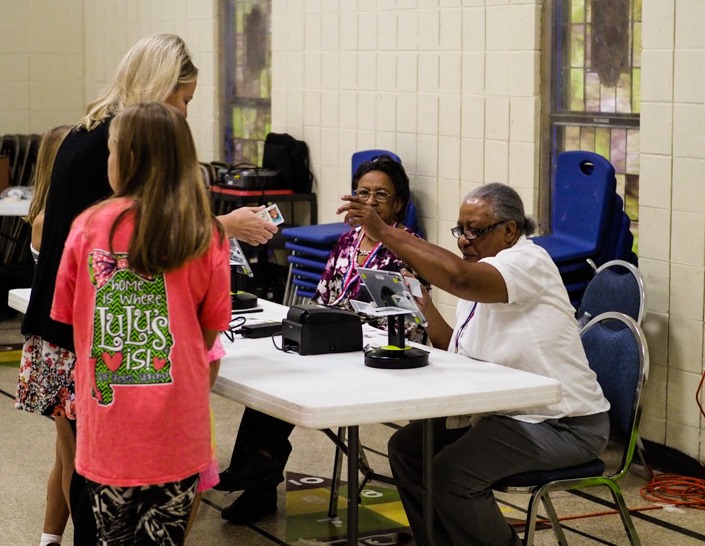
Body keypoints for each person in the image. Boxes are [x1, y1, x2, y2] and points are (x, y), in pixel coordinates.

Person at [16, 33, 275, 545]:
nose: (183, 113)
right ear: (159, 89)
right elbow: (143, 245)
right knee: (91, 477)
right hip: (83, 343)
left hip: (64, 332)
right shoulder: (118, 146)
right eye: (182, 100)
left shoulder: (90, 132)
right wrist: (220, 226)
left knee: (77, 465)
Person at [338, 182, 610, 546]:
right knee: (407, 450)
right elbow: (455, 348)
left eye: (475, 231)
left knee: (452, 475)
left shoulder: (527, 262)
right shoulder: (481, 273)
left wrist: (384, 232)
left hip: (562, 422)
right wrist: (425, 308)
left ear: (510, 230)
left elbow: (458, 277)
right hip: (504, 413)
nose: (464, 240)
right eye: (460, 230)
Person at [51, 101, 231, 545]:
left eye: (111, 150)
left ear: (127, 159)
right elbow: (210, 330)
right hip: (179, 426)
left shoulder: (87, 227)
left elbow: (70, 318)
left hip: (109, 426)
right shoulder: (205, 231)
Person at [215, 154, 428, 524]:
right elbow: (324, 296)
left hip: (380, 348)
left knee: (295, 374)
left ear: (398, 205)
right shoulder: (346, 241)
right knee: (279, 368)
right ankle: (258, 477)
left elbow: (409, 315)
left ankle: (258, 472)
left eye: (381, 194)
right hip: (336, 339)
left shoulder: (407, 245)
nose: (370, 201)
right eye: (363, 193)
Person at [15, 124, 72, 546]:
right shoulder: (52, 220)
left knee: (65, 452)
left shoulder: (45, 215)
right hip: (62, 347)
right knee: (74, 459)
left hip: (52, 347)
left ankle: (49, 538)